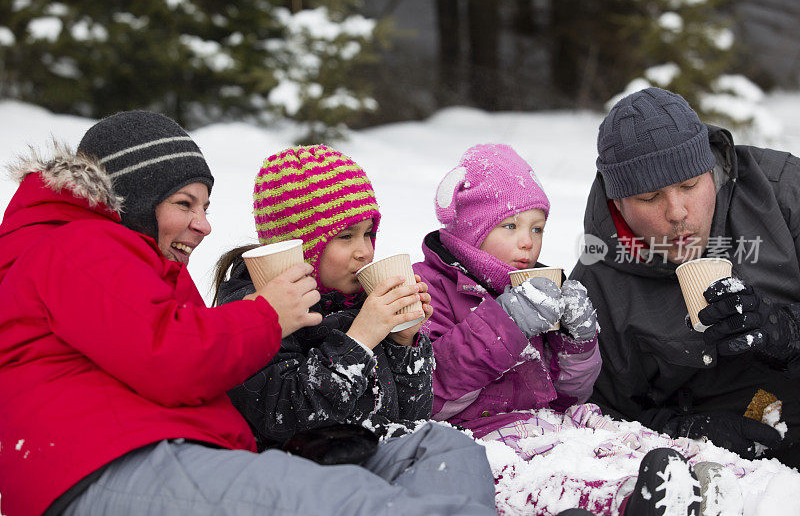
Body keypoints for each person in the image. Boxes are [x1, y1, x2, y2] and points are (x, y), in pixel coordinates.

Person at [0, 113, 495, 516]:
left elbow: (408, 415)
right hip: (102, 462)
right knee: (353, 504)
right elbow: (175, 359)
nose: (205, 223)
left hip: (188, 450)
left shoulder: (137, 265)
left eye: (207, 204)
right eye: (183, 203)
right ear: (130, 200)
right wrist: (272, 317)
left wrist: (402, 341)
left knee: (446, 453)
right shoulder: (75, 245)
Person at [413, 143, 705, 516]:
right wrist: (507, 324)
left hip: (548, 422)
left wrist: (577, 341)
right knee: (545, 482)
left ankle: (702, 478)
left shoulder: (532, 286)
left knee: (621, 440)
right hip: (480, 438)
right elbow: (433, 394)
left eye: (537, 228)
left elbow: (569, 396)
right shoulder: (427, 287)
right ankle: (633, 503)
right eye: (510, 226)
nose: (527, 241)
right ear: (471, 230)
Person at [570, 86, 797, 466]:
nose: (677, 213)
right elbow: (595, 418)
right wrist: (689, 431)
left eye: (689, 185)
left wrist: (784, 328)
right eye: (648, 198)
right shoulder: (597, 285)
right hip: (721, 462)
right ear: (619, 204)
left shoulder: (783, 192)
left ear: (712, 170)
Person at [214, 144, 438, 446]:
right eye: (346, 236)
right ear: (301, 246)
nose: (365, 252)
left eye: (369, 233)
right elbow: (285, 419)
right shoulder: (256, 311)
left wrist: (403, 342)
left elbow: (414, 418)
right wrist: (358, 340)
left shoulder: (357, 301)